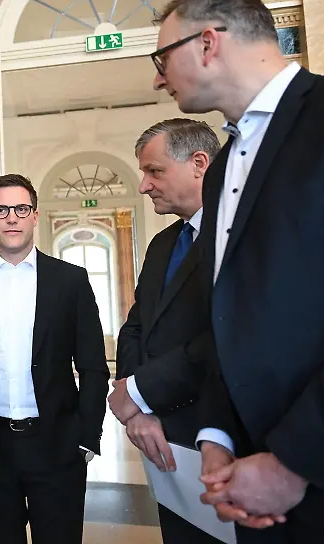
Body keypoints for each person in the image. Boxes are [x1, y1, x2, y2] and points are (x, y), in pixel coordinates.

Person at [151, 0, 324, 542]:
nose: (157, 77)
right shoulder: (225, 166)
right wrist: (216, 435)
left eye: (162, 57)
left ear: (207, 43)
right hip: (249, 482)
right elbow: (233, 318)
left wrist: (295, 460)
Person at [0, 174, 109, 544]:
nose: (11, 217)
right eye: (1, 209)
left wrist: (88, 436)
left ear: (34, 216)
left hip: (57, 446)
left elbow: (93, 366)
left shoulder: (71, 281)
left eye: (20, 208)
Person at [109, 118, 220, 543]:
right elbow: (136, 327)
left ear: (198, 163)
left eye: (154, 171)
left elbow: (223, 339)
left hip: (221, 434)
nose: (143, 185)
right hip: (164, 442)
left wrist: (140, 392)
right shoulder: (162, 244)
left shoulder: (241, 234)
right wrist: (140, 410)